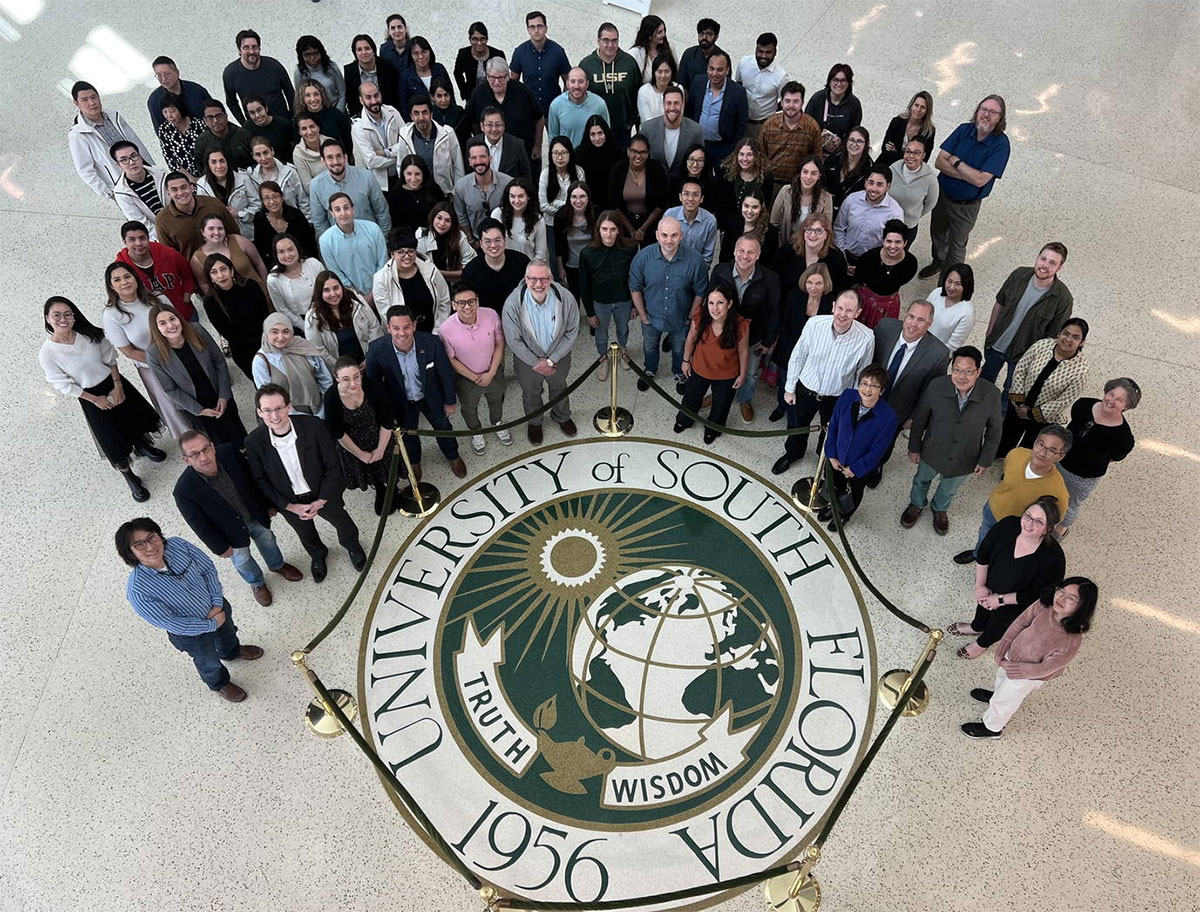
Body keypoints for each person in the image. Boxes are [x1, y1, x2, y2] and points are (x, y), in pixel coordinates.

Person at [118, 518, 262, 702]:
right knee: (207, 660)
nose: (150, 547)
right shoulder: (138, 590)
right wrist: (210, 624)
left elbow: (208, 569)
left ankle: (231, 652)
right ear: (129, 553)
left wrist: (217, 604)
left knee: (228, 633)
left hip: (215, 606)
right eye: (139, 544)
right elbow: (170, 622)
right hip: (190, 633)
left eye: (152, 537)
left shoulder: (178, 545)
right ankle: (219, 683)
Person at [40, 298, 163, 502]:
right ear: (47, 319)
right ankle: (129, 476)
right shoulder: (47, 353)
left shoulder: (88, 335)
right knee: (112, 437)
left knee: (134, 418)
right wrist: (95, 400)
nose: (63, 319)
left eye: (68, 314)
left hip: (112, 382)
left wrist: (118, 386)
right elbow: (63, 384)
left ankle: (142, 445)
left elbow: (110, 358)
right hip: (90, 396)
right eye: (57, 315)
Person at [245, 384, 366, 582]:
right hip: (289, 501)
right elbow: (261, 481)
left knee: (342, 522)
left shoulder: (313, 426)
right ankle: (318, 556)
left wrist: (321, 501)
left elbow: (333, 466)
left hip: (323, 493)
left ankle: (352, 545)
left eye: (278, 408)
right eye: (267, 410)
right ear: (259, 412)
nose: (274, 416)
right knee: (305, 532)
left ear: (289, 407)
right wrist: (290, 506)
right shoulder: (253, 442)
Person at [175, 431, 303, 605]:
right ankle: (256, 583)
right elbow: (199, 525)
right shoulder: (184, 491)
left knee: (268, 540)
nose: (203, 457)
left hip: (254, 514)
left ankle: (277, 565)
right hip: (229, 533)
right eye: (194, 454)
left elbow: (254, 479)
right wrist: (219, 547)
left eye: (205, 449)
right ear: (186, 460)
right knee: (242, 560)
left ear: (212, 447)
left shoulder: (229, 452)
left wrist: (268, 505)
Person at [962, 577, 1099, 739]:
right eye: (1061, 591)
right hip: (1012, 657)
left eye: (1071, 598)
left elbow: (1046, 668)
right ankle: (997, 694)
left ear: (1082, 606)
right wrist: (1003, 649)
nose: (1061, 598)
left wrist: (1017, 669)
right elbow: (1020, 624)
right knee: (1001, 680)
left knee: (1005, 702)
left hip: (1027, 676)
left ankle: (992, 728)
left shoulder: (1071, 640)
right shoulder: (1043, 605)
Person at [948, 496, 1066, 661]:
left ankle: (981, 644)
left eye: (1039, 522)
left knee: (1000, 624)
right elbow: (984, 553)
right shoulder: (1009, 525)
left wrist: (1001, 600)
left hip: (1016, 605)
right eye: (1028, 516)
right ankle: (977, 626)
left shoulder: (1053, 557)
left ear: (1048, 529)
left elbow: (1039, 594)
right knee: (982, 607)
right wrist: (980, 586)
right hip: (989, 586)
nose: (1029, 524)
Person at [772, 289, 874, 475]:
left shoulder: (866, 338)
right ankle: (793, 453)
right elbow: (798, 356)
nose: (843, 314)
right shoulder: (814, 324)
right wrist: (790, 388)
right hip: (806, 389)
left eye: (849, 311)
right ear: (833, 306)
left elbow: (862, 374)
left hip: (837, 397)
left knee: (831, 433)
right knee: (797, 425)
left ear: (858, 313)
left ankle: (824, 459)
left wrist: (853, 405)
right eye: (840, 308)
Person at [903, 345, 1003, 533]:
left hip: (965, 455)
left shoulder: (991, 394)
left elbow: (995, 430)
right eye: (957, 370)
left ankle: (939, 509)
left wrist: (985, 459)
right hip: (932, 450)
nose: (961, 376)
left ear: (978, 372)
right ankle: (916, 504)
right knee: (921, 480)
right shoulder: (937, 386)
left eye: (968, 371)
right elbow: (921, 418)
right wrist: (914, 447)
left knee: (949, 489)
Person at [364, 305, 468, 477]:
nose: (402, 333)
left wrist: (450, 401)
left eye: (406, 327)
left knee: (443, 428)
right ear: (388, 328)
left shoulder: (432, 343)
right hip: (401, 402)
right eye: (396, 328)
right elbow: (373, 385)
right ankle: (414, 462)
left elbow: (446, 374)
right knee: (408, 434)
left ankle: (453, 456)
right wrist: (384, 413)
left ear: (414, 325)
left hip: (431, 398)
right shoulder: (376, 349)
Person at [919, 95, 1011, 279]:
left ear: (1000, 118)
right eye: (983, 109)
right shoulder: (963, 130)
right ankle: (938, 261)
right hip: (942, 195)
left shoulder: (1001, 145)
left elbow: (979, 181)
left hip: (966, 205)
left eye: (992, 112)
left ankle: (948, 282)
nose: (986, 114)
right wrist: (968, 174)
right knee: (937, 232)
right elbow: (939, 162)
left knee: (957, 245)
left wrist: (955, 161)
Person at [953, 426, 1072, 565]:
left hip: (1018, 527)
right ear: (1035, 442)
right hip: (994, 509)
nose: (1042, 453)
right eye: (1041, 444)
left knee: (1005, 549)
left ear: (1060, 456)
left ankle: (994, 564)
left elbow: (1055, 518)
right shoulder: (1016, 454)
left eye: (1051, 450)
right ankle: (977, 553)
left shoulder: (1058, 492)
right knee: (984, 535)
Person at [102, 262, 192, 439]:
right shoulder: (112, 315)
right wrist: (163, 362)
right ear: (111, 286)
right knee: (173, 407)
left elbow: (179, 326)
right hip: (151, 367)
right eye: (117, 280)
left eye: (127, 276)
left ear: (135, 278)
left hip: (180, 356)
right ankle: (189, 441)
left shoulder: (157, 298)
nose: (124, 282)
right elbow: (128, 351)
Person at [502, 261, 581, 444]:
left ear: (551, 279)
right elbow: (513, 340)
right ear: (525, 279)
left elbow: (571, 332)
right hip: (526, 360)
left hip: (559, 356)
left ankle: (561, 416)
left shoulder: (566, 298)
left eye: (544, 279)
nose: (539, 284)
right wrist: (535, 362)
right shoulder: (513, 303)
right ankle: (535, 422)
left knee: (559, 387)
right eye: (533, 279)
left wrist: (552, 360)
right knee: (531, 392)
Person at [869, 300, 950, 480]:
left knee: (885, 442)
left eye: (921, 320)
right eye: (911, 316)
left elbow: (930, 392)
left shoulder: (938, 354)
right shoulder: (885, 328)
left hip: (899, 410)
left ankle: (877, 465)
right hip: (868, 397)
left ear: (929, 324)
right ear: (905, 316)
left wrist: (914, 417)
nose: (913, 323)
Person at [983, 243, 1074, 400]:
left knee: (1010, 394)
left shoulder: (1062, 298)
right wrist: (990, 331)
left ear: (1060, 267)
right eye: (1043, 259)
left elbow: (1053, 337)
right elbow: (1000, 302)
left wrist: (1036, 362)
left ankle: (1000, 421)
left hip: (1022, 356)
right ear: (1037, 258)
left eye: (1052, 263)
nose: (1045, 265)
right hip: (996, 344)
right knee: (983, 383)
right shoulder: (1019, 275)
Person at [629, 216, 709, 393]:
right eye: (664, 235)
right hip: (651, 316)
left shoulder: (695, 261)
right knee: (649, 346)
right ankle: (650, 369)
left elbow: (700, 292)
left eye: (674, 235)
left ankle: (679, 372)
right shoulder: (642, 258)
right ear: (657, 235)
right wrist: (643, 316)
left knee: (679, 348)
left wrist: (690, 316)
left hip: (681, 318)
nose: (669, 240)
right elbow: (635, 288)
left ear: (681, 235)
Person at [147, 307, 247, 447]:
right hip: (195, 409)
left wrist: (224, 396)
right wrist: (199, 410)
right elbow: (170, 390)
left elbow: (218, 361)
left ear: (179, 318)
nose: (170, 325)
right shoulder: (153, 353)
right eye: (162, 323)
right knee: (216, 446)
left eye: (172, 318)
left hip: (219, 396)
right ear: (156, 328)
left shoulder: (196, 330)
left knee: (239, 437)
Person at [818, 365, 899, 529]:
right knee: (832, 483)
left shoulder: (888, 418)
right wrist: (831, 455)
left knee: (852, 493)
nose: (867, 389)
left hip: (857, 467)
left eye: (874, 385)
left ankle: (844, 515)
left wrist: (855, 469)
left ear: (882, 391)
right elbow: (833, 426)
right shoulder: (847, 396)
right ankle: (831, 506)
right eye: (864, 383)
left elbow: (877, 451)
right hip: (836, 457)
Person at [1055, 379, 1139, 535]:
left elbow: (1115, 457)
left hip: (1083, 477)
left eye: (1119, 400)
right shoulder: (1083, 405)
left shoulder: (1123, 437)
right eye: (1111, 394)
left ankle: (1060, 530)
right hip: (1059, 461)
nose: (1111, 401)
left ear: (1126, 407)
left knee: (1070, 503)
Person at [711, 234, 780, 422]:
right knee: (720, 367)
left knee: (750, 373)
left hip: (754, 336)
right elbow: (709, 303)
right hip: (723, 333)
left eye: (750, 252)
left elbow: (774, 312)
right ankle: (717, 396)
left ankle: (744, 399)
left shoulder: (771, 278)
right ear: (734, 251)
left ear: (758, 255)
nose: (745, 256)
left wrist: (767, 341)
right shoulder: (719, 271)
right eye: (741, 251)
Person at [998, 320, 1090, 458]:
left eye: (1075, 337)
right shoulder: (1042, 345)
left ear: (1082, 342)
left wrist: (1029, 414)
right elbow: (1020, 369)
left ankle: (1015, 471)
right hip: (1018, 404)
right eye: (1066, 333)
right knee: (1007, 434)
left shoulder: (1081, 370)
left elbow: (1062, 401)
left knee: (1031, 447)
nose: (1068, 339)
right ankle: (999, 456)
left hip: (1043, 417)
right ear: (1059, 334)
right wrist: (1019, 404)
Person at [439, 284, 510, 454]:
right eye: (462, 303)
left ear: (477, 301)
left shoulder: (491, 314)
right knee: (470, 407)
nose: (468, 307)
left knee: (496, 399)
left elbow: (500, 342)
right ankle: (476, 431)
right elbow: (451, 359)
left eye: (471, 301)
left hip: (494, 371)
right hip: (466, 378)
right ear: (453, 305)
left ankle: (497, 422)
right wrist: (474, 377)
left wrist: (492, 372)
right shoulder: (445, 329)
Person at [675, 283, 749, 443]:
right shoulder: (700, 317)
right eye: (711, 303)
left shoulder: (740, 324)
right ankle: (685, 420)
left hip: (727, 374)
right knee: (691, 398)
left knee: (721, 405)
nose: (715, 308)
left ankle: (713, 429)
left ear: (729, 304)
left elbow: (743, 351)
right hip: (700, 369)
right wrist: (686, 361)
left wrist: (742, 374)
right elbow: (691, 339)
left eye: (720, 303)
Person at [323, 358, 397, 515]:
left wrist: (380, 450)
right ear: (336, 378)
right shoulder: (331, 397)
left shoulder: (374, 387)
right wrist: (361, 454)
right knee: (369, 470)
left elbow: (387, 420)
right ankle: (379, 488)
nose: (353, 383)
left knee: (389, 466)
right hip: (353, 443)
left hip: (380, 436)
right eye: (346, 379)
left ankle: (392, 487)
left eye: (356, 376)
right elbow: (338, 432)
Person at [769, 263, 834, 423]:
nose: (813, 287)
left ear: (825, 284)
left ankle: (793, 419)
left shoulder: (831, 302)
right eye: (810, 282)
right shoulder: (793, 296)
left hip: (814, 355)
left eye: (818, 283)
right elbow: (784, 324)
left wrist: (808, 355)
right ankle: (781, 406)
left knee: (800, 389)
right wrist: (795, 353)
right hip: (789, 350)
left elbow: (828, 333)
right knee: (785, 381)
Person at [68, 81, 154, 200]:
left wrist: (153, 168)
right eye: (85, 100)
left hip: (144, 173)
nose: (92, 103)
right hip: (121, 187)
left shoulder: (114, 116)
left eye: (94, 97)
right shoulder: (77, 134)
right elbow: (85, 170)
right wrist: (109, 192)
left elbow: (136, 143)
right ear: (76, 103)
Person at [579, 211, 637, 380]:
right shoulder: (588, 253)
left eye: (613, 229)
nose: (608, 234)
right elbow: (584, 285)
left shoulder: (630, 249)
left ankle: (623, 350)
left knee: (623, 328)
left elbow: (635, 279)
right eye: (604, 229)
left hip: (623, 300)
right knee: (601, 332)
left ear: (619, 230)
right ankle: (603, 357)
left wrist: (635, 305)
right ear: (598, 230)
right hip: (600, 302)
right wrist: (590, 312)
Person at [202, 252, 272, 379]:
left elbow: (264, 316)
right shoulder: (210, 301)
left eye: (223, 269)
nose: (220, 275)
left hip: (266, 341)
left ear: (232, 271)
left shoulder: (250, 286)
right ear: (211, 278)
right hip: (243, 351)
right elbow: (227, 333)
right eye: (214, 272)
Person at [462, 59, 544, 167]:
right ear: (487, 76)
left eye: (500, 77)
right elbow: (472, 120)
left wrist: (537, 145)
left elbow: (539, 117)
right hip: (491, 154)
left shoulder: (523, 92)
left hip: (524, 152)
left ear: (508, 76)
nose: (496, 82)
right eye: (492, 77)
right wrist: (481, 141)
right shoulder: (479, 93)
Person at [372, 228, 453, 331]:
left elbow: (444, 301)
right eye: (401, 252)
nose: (407, 256)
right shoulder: (381, 279)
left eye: (411, 251)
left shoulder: (430, 270)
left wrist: (437, 331)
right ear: (392, 254)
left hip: (433, 331)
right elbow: (386, 314)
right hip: (402, 335)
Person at [252, 315, 334, 418]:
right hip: (286, 416)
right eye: (274, 332)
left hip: (319, 409)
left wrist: (325, 407)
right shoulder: (262, 360)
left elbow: (324, 378)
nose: (280, 337)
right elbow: (268, 397)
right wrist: (296, 416)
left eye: (286, 331)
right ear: (266, 332)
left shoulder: (303, 347)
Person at [115, 221, 197, 319]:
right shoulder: (120, 268)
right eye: (132, 239)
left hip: (183, 313)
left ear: (148, 238)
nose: (138, 243)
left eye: (142, 238)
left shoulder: (168, 253)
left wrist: (185, 300)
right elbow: (121, 296)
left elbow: (188, 275)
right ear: (124, 242)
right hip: (152, 322)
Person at [309, 140, 391, 235]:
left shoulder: (366, 177)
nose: (335, 162)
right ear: (323, 160)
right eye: (330, 157)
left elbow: (382, 211)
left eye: (339, 156)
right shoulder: (316, 185)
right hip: (339, 243)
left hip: (371, 237)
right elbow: (320, 223)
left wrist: (383, 238)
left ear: (345, 157)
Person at [319, 193, 389, 303]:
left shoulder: (373, 229)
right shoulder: (325, 241)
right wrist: (358, 296)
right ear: (332, 213)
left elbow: (383, 262)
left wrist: (374, 292)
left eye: (346, 208)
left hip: (383, 288)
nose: (343, 213)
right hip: (351, 296)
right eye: (337, 209)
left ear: (353, 209)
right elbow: (336, 273)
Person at [578, 23, 641, 141]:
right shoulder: (587, 65)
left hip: (622, 130)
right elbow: (580, 94)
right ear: (598, 41)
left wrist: (630, 122)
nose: (610, 45)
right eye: (606, 40)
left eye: (614, 41)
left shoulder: (629, 63)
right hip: (594, 132)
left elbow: (638, 93)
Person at [685, 51, 749, 165]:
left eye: (719, 70)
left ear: (727, 70)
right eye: (711, 68)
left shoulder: (738, 92)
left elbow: (742, 123)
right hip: (698, 144)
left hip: (723, 147)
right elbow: (690, 110)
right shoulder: (698, 82)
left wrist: (733, 148)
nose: (714, 73)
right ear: (707, 68)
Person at [853, 220, 919, 329]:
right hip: (865, 303)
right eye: (889, 241)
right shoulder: (869, 258)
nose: (892, 246)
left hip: (889, 305)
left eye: (898, 242)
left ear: (905, 243)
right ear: (883, 241)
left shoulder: (910, 263)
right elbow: (858, 278)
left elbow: (904, 280)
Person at [395, 95, 464, 195]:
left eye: (425, 112)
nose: (421, 117)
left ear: (431, 114)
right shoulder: (405, 136)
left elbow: (458, 167)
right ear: (411, 116)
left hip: (444, 193)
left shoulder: (447, 134)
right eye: (416, 113)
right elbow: (401, 167)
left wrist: (456, 193)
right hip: (419, 195)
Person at [759, 81, 821, 191]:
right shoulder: (769, 124)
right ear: (781, 102)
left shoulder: (813, 127)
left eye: (796, 101)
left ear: (802, 103)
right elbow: (760, 155)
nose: (791, 106)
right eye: (787, 101)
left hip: (799, 185)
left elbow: (817, 159)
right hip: (771, 183)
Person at [609, 134, 670, 246]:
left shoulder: (656, 169)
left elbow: (661, 203)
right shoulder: (618, 169)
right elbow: (614, 204)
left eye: (643, 152)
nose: (638, 156)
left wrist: (642, 230)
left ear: (648, 153)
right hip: (625, 222)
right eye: (634, 151)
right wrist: (631, 230)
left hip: (651, 223)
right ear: (628, 151)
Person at [837, 167, 905, 266]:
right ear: (865, 183)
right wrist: (842, 255)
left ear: (888, 186)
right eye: (871, 182)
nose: (873, 189)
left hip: (873, 262)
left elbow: (892, 244)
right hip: (846, 255)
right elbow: (839, 228)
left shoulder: (895, 213)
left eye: (879, 184)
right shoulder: (851, 200)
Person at [223, 30, 295, 123]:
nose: (251, 51)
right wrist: (244, 124)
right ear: (239, 50)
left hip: (283, 124)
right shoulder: (230, 73)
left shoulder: (274, 66)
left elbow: (290, 93)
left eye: (255, 47)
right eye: (246, 48)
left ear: (259, 48)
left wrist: (293, 118)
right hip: (256, 129)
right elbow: (231, 103)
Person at [189, 213, 268, 297]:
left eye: (220, 228)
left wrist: (267, 289)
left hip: (260, 295)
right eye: (211, 229)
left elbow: (259, 264)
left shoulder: (239, 241)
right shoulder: (197, 259)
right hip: (231, 304)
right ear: (203, 232)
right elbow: (204, 284)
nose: (216, 232)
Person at [509, 11, 572, 117]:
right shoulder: (519, 52)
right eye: (532, 27)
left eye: (540, 26)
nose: (536, 30)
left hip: (553, 107)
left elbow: (568, 80)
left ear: (546, 28)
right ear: (528, 30)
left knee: (555, 134)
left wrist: (563, 101)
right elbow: (513, 83)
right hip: (529, 107)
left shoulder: (558, 52)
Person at [773, 211, 849, 297]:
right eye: (809, 230)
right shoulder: (787, 251)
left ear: (826, 235)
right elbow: (774, 282)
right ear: (803, 232)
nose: (812, 235)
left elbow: (838, 292)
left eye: (818, 231)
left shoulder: (836, 258)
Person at [462, 219, 530, 315]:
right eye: (488, 241)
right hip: (486, 322)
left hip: (520, 317)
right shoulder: (471, 271)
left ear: (504, 240)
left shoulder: (522, 262)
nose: (493, 245)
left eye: (497, 240)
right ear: (481, 244)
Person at [452, 139, 513, 242]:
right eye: (474, 158)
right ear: (470, 162)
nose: (479, 161)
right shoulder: (461, 187)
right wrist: (471, 241)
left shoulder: (508, 183)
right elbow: (461, 217)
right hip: (476, 242)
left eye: (482, 157)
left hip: (505, 240)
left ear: (490, 159)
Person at [351, 82, 404, 194]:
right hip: (377, 184)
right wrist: (399, 157)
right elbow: (371, 162)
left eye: (376, 95)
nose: (374, 101)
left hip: (400, 176)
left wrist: (386, 152)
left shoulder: (393, 112)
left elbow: (407, 142)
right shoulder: (358, 126)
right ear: (361, 100)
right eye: (368, 98)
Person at [196, 149, 259, 240]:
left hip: (246, 235)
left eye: (222, 161)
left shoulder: (243, 178)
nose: (219, 166)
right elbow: (203, 216)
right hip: (219, 238)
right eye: (214, 162)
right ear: (208, 165)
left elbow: (257, 205)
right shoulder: (202, 186)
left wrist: (239, 214)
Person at [110, 142, 169, 239]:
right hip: (159, 237)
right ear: (118, 165)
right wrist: (165, 238)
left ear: (140, 157)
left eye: (134, 156)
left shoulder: (161, 174)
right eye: (124, 160)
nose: (131, 162)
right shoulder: (121, 192)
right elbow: (142, 224)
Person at [643, 86, 704, 178]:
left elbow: (700, 163)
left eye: (676, 103)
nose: (672, 107)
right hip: (655, 184)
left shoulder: (696, 130)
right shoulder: (647, 128)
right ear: (663, 104)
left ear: (682, 104)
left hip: (683, 186)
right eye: (668, 103)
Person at [539, 136, 582, 269]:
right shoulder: (546, 174)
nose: (559, 157)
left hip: (573, 222)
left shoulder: (578, 172)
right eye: (556, 153)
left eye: (563, 153)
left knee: (573, 256)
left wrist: (557, 204)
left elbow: (582, 199)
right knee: (554, 258)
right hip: (551, 224)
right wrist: (566, 206)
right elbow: (543, 205)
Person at [888, 138, 939, 248]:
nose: (911, 156)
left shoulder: (930, 179)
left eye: (916, 153)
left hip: (908, 226)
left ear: (923, 155)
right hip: (886, 222)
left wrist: (914, 215)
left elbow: (930, 203)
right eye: (908, 151)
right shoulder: (893, 168)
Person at [770, 155, 833, 245]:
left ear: (819, 176)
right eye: (805, 172)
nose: (808, 177)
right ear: (800, 173)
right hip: (785, 243)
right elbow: (774, 223)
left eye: (813, 173)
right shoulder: (785, 192)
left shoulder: (826, 198)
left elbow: (826, 229)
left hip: (812, 246)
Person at [736, 33, 788, 139]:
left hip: (764, 125)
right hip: (740, 120)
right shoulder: (744, 63)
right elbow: (738, 84)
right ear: (756, 49)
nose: (763, 56)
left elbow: (785, 101)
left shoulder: (781, 76)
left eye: (768, 52)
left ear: (775, 52)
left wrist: (771, 113)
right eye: (760, 51)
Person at [252, 181, 317, 266]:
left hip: (302, 262)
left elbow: (310, 244)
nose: (272, 201)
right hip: (275, 266)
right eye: (267, 198)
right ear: (262, 201)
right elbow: (261, 250)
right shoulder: (259, 219)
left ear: (282, 197)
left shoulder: (296, 215)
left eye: (275, 196)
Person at [267, 234, 324, 330]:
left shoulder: (313, 264)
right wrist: (305, 326)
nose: (287, 255)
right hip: (300, 324)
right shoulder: (273, 279)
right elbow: (282, 309)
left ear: (297, 248)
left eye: (290, 249)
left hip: (326, 312)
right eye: (281, 252)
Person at [295, 77, 356, 162]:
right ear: (302, 98)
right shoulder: (299, 120)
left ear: (322, 95)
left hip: (337, 161)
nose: (313, 99)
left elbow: (348, 142)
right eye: (308, 95)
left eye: (316, 94)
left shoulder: (335, 114)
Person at [805, 64, 862, 155]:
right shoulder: (818, 99)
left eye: (843, 80)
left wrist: (842, 143)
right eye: (835, 80)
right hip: (814, 148)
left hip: (838, 153)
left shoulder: (854, 105)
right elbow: (806, 123)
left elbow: (854, 132)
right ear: (829, 81)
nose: (839, 84)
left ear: (849, 83)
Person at [552, 181, 596, 296]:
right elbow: (559, 246)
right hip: (571, 265)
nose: (578, 201)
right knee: (573, 296)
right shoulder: (561, 217)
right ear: (569, 199)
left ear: (588, 198)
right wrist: (561, 268)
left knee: (592, 297)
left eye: (582, 196)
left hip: (592, 265)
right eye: (574, 197)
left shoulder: (596, 214)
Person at [716, 136, 774, 223]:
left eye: (749, 154)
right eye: (741, 154)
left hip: (753, 224)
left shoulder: (766, 178)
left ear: (756, 156)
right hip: (727, 223)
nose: (745, 159)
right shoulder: (725, 173)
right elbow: (720, 203)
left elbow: (764, 206)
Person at [148, 56, 213, 132]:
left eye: (167, 74)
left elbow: (214, 112)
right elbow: (160, 130)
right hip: (178, 142)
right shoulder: (154, 100)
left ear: (177, 73)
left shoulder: (196, 90)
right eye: (159, 75)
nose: (163, 78)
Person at [548, 67, 609, 148]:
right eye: (573, 81)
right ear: (567, 84)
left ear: (587, 84)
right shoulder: (556, 105)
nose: (576, 86)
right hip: (568, 158)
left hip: (593, 158)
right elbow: (553, 137)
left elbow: (607, 134)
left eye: (581, 82)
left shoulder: (599, 104)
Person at [250, 137, 310, 220]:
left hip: (294, 219)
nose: (263, 158)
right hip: (269, 222)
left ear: (272, 151)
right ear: (253, 156)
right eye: (258, 155)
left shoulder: (290, 171)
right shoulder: (251, 176)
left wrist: (308, 221)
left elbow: (302, 199)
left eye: (265, 153)